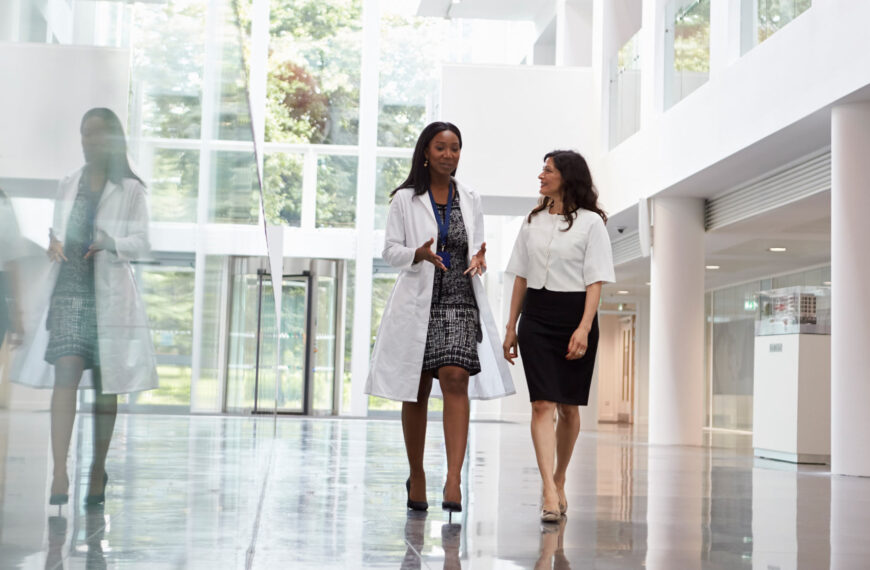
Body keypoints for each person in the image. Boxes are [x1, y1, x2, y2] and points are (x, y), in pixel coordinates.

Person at [366, 121, 514, 513]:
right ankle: (417, 474)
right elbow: (390, 251)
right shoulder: (404, 199)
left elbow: (476, 246)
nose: (449, 155)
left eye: (455, 148)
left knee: (455, 377)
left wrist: (480, 259)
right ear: (426, 153)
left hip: (459, 296)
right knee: (416, 390)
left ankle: (453, 479)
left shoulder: (470, 196)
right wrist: (417, 253)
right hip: (419, 300)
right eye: (441, 148)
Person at [22, 107, 158, 506]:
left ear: (112, 140)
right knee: (66, 372)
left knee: (104, 385)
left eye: (97, 135)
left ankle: (97, 468)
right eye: (84, 134)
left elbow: (142, 242)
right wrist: (53, 243)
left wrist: (111, 242)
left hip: (109, 297)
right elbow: (57, 230)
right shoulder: (69, 183)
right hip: (69, 291)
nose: (89, 142)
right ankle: (60, 472)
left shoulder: (131, 189)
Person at [503, 150, 614, 523]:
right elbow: (520, 274)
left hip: (574, 315)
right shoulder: (532, 221)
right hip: (536, 316)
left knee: (568, 407)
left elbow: (595, 280)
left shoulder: (591, 223)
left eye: (547, 170)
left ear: (566, 176)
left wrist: (584, 327)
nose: (541, 175)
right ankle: (548, 491)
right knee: (541, 405)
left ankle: (560, 477)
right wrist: (510, 326)